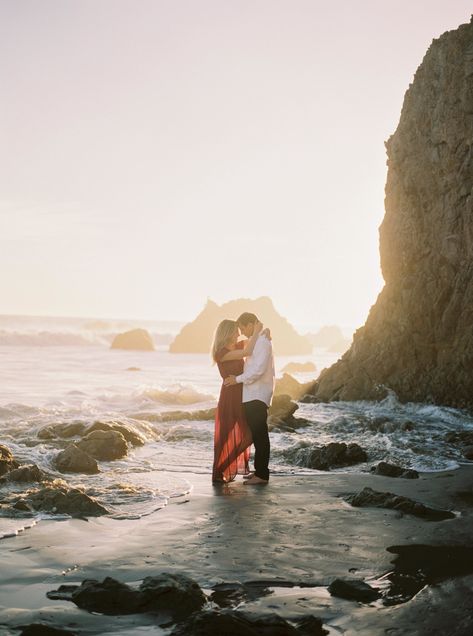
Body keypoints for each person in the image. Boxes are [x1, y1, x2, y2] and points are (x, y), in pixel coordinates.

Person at [224, 312, 275, 485]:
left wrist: (236, 379)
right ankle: (259, 471)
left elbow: (258, 370)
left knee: (260, 435)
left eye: (243, 327)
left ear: (252, 324)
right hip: (252, 394)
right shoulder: (257, 341)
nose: (242, 332)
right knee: (257, 434)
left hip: (257, 394)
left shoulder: (262, 342)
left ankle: (262, 475)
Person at [211, 318, 264, 483]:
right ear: (227, 333)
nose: (239, 334)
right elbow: (247, 352)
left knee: (249, 436)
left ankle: (224, 465)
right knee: (225, 435)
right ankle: (218, 472)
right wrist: (256, 332)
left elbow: (255, 343)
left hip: (243, 394)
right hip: (229, 396)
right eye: (236, 331)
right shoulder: (221, 352)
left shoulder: (238, 345)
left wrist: (264, 332)